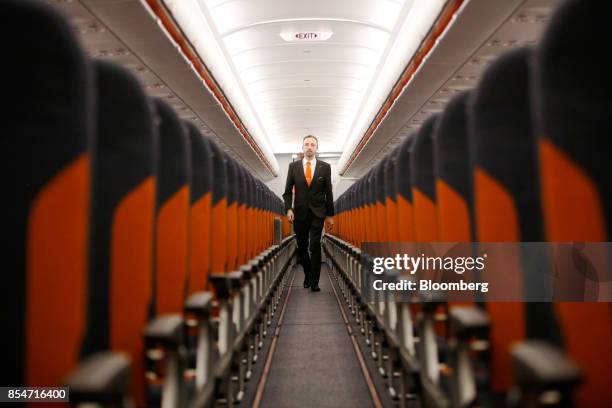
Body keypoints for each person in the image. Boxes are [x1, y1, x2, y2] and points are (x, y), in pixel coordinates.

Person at [283, 135, 334, 292]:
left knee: (315, 245)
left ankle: (315, 281)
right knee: (302, 246)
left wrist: (330, 215)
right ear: (302, 147)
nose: (310, 147)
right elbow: (287, 192)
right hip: (300, 212)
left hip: (318, 213)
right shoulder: (294, 167)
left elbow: (328, 193)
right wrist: (289, 209)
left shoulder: (325, 167)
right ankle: (307, 274)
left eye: (313, 144)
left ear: (317, 148)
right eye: (307, 144)